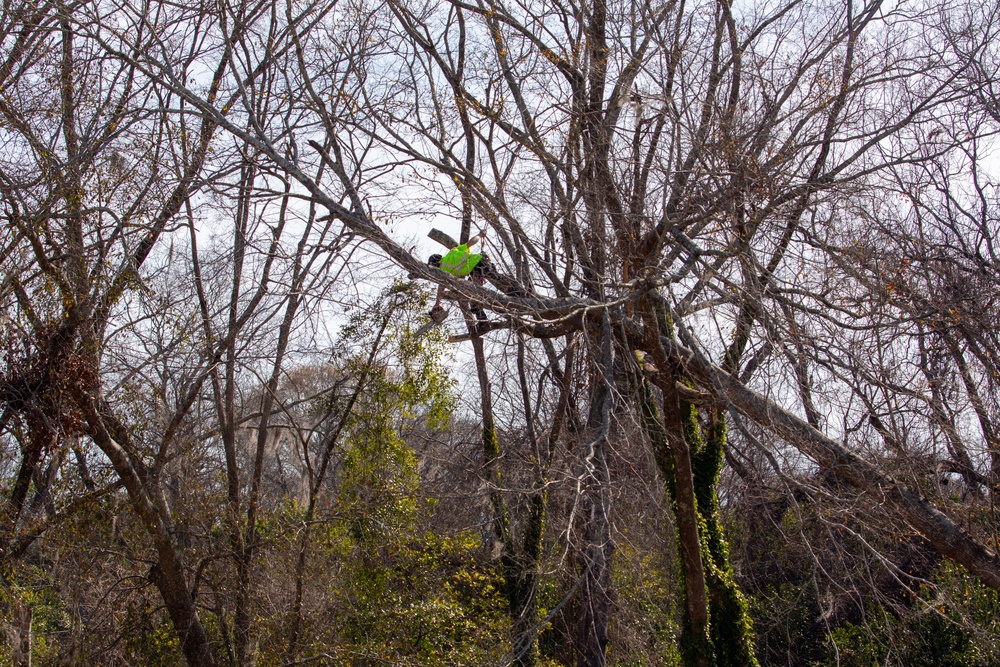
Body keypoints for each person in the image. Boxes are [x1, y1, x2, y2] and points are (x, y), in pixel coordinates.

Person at [426, 230, 492, 323]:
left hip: (477, 269)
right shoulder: (453, 251)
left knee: (473, 296)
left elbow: (441, 287)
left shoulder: (442, 271)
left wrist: (437, 303)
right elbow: (470, 243)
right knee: (474, 294)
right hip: (484, 262)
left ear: (435, 264)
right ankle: (483, 320)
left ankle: (483, 322)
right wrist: (480, 235)